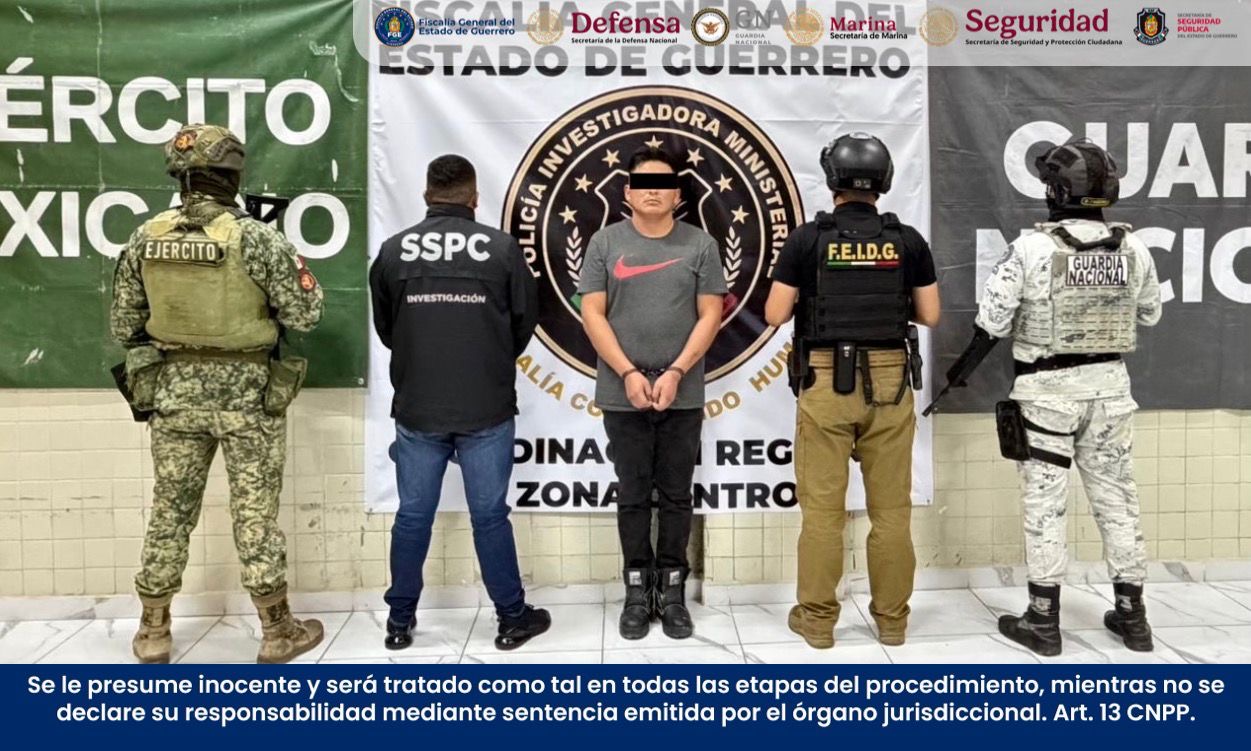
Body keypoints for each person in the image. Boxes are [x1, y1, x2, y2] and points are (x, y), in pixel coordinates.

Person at [111, 123, 324, 664]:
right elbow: (306, 312)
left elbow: (124, 324)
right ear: (232, 176)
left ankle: (153, 631)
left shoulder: (145, 237)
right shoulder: (256, 238)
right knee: (255, 512)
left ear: (180, 177)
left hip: (174, 393)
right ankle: (277, 631)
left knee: (170, 509)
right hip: (247, 395)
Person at [973, 138, 1161, 656]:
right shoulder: (1135, 248)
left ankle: (1043, 620)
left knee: (1044, 507)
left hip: (1046, 397)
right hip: (1110, 392)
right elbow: (1150, 314)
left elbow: (992, 320)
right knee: (1118, 501)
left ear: (1056, 192)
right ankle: (1134, 619)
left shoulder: (1030, 249)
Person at [764, 132, 940, 649]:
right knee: (892, 513)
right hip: (891, 379)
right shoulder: (907, 240)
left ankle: (818, 622)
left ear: (832, 180)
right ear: (883, 182)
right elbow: (929, 314)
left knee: (823, 513)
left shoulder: (808, 240)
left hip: (825, 379)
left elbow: (775, 314)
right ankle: (892, 622)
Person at [370, 154, 550, 651]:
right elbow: (523, 322)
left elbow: (388, 329)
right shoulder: (502, 249)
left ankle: (399, 623)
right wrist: (489, 357)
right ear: (474, 197)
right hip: (485, 405)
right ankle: (512, 618)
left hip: (418, 405)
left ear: (427, 194)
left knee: (412, 516)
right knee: (489, 516)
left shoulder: (394, 251)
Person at [578, 146, 726, 640]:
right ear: (627, 192)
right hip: (623, 393)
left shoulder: (701, 244)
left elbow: (711, 314)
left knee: (678, 494)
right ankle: (637, 592)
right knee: (634, 494)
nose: (653, 192)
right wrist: (627, 372)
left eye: (663, 184)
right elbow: (592, 313)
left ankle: (673, 592)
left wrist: (677, 371)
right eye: (643, 184)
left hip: (681, 392)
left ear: (678, 194)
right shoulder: (603, 242)